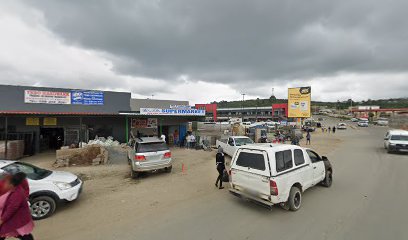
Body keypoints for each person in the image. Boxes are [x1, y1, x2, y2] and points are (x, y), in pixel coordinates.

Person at [0, 172, 34, 240]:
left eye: (5, 182)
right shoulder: (13, 189)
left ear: (11, 184)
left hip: (15, 218)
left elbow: (11, 209)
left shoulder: (17, 194)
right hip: (13, 218)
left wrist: (2, 220)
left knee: (23, 234)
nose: (4, 184)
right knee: (21, 234)